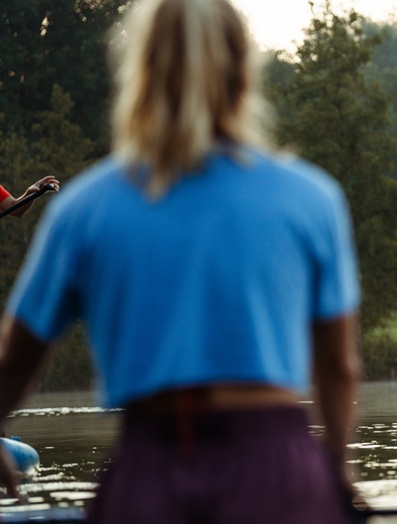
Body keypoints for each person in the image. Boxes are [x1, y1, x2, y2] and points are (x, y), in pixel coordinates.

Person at [0, 0, 362, 522]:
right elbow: (337, 366)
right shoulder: (312, 198)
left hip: (149, 470)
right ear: (243, 70)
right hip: (277, 469)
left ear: (140, 72)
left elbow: (15, 361)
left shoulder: (85, 207)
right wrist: (336, 477)